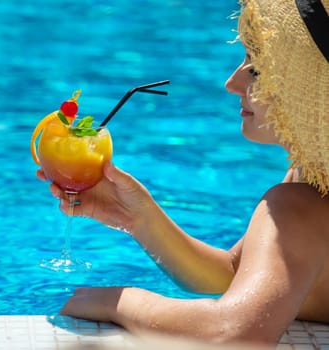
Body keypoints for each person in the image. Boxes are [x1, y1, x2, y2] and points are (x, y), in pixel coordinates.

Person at [36, 0, 329, 345]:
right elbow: (234, 276)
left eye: (256, 69)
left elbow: (233, 334)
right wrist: (139, 218)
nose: (231, 82)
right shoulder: (305, 179)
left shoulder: (297, 205)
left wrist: (113, 300)